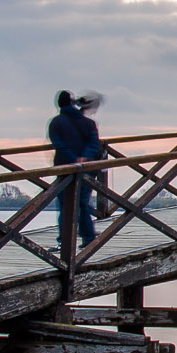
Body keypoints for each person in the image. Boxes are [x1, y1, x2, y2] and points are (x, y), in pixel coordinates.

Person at [48, 91, 99, 249]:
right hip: (86, 168)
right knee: (83, 204)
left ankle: (64, 242)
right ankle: (88, 238)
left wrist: (72, 159)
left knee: (65, 206)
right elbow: (94, 143)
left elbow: (58, 144)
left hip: (64, 168)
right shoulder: (88, 123)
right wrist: (84, 157)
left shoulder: (56, 122)